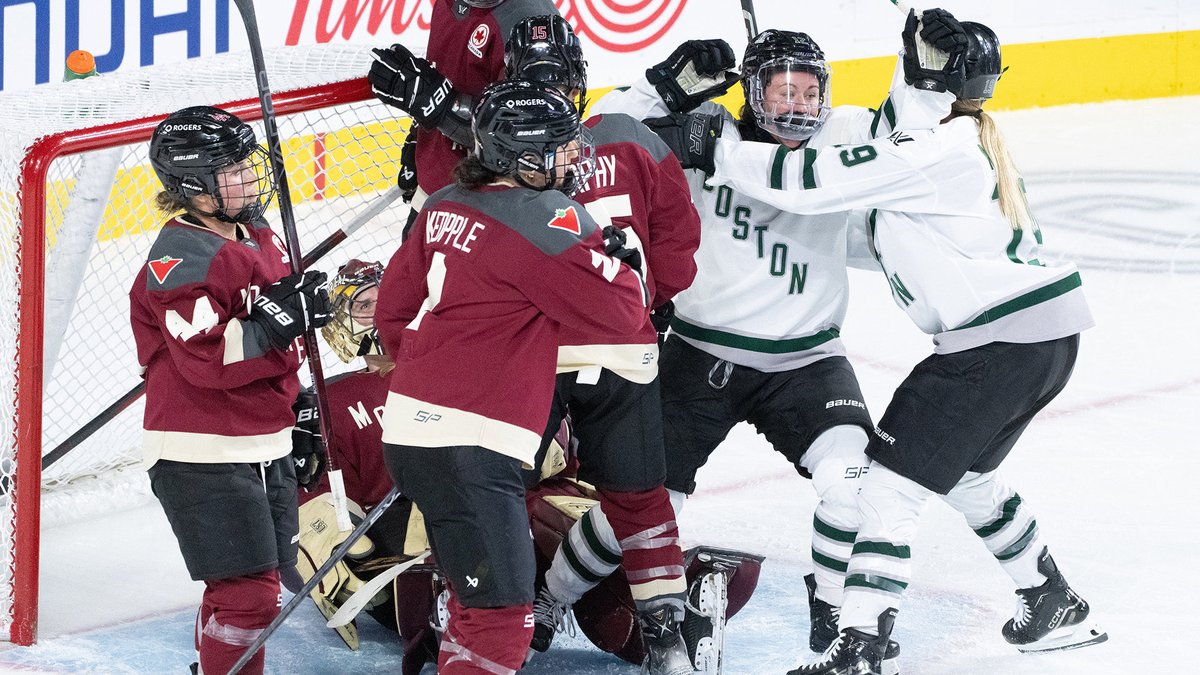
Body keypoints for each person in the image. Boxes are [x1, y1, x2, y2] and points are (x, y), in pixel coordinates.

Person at [546, 19, 964, 674]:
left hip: (808, 363)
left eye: (808, 92)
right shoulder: (707, 127)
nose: (797, 107)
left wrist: (927, 72)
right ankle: (550, 599)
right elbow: (602, 137)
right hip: (697, 353)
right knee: (642, 502)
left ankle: (829, 614)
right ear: (750, 90)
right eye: (781, 92)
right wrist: (664, 88)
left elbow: (908, 126)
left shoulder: (844, 135)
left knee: (854, 487)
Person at [697, 13, 1108, 674]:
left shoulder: (931, 153)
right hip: (1040, 338)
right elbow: (882, 226)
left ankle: (858, 645)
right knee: (969, 476)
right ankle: (1050, 595)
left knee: (887, 493)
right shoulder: (955, 140)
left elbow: (807, 184)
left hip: (994, 348)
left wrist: (723, 145)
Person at [374, 79, 651, 675]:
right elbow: (624, 312)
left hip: (412, 432)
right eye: (558, 146)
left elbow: (392, 313)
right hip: (471, 446)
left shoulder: (444, 203)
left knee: (478, 607)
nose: (574, 157)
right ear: (520, 157)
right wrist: (623, 266)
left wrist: (438, 375)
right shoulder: (545, 216)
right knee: (504, 618)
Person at [497, 15, 707, 675]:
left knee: (495, 482)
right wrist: (641, 300)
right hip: (625, 346)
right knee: (639, 495)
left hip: (533, 354)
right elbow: (681, 257)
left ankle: (491, 617)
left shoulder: (497, 152)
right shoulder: (632, 137)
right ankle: (665, 637)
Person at [128, 105, 331, 675]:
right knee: (249, 597)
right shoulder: (178, 259)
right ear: (192, 183)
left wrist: (297, 403)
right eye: (230, 169)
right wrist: (277, 323)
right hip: (202, 451)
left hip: (263, 438)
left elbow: (276, 326)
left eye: (246, 163)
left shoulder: (257, 232)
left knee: (249, 587)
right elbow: (208, 357)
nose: (247, 176)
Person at [367, 0, 559, 236]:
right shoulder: (447, 4)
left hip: (489, 212)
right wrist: (420, 138)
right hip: (433, 195)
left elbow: (526, 137)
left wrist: (441, 105)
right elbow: (449, 77)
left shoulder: (530, 21)